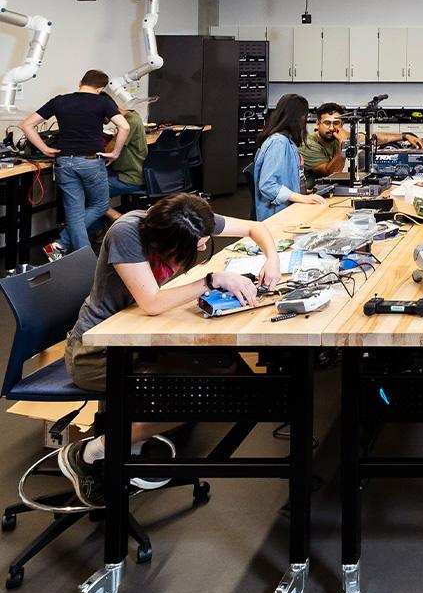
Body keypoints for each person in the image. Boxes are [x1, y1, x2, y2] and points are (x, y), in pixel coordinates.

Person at [59, 193, 281, 507]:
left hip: (137, 339)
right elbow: (152, 302)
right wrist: (213, 279)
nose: (202, 246)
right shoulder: (127, 232)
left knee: (228, 369)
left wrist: (272, 259)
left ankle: (131, 445)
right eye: (197, 244)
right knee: (203, 393)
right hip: (96, 352)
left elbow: (255, 228)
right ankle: (93, 453)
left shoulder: (186, 220)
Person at [19, 69, 131, 258]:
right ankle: (73, 251)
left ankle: (64, 247)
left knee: (74, 211)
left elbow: (26, 125)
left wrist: (44, 149)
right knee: (101, 204)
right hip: (90, 162)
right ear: (100, 89)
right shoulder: (103, 101)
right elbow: (125, 126)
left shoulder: (60, 100)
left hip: (64, 162)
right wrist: (115, 152)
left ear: (80, 82)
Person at [300, 101, 423, 186]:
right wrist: (343, 143)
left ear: (342, 124)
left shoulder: (336, 135)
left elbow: (371, 139)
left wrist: (405, 136)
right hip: (311, 195)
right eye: (327, 123)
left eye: (336, 123)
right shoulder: (308, 143)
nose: (332, 128)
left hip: (327, 189)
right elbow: (330, 173)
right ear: (317, 123)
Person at [253, 93, 326, 221]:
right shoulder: (278, 143)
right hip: (277, 217)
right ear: (297, 117)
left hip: (288, 210)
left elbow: (288, 177)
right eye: (305, 115)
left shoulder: (288, 141)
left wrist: (301, 192)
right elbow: (267, 185)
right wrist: (300, 198)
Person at [104, 108, 148, 222]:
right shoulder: (134, 115)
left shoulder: (129, 122)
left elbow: (108, 151)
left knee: (87, 190)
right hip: (133, 173)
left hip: (131, 178)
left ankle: (117, 220)